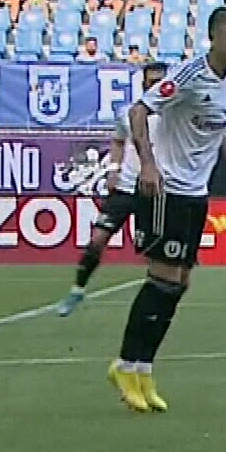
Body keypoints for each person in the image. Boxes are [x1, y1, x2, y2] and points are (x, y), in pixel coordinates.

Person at [108, 8, 226, 413]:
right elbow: (140, 110)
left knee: (181, 281)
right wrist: (148, 164)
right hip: (167, 188)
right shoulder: (189, 75)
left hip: (195, 192)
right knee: (163, 278)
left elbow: (215, 124)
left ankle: (144, 369)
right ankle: (125, 364)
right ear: (214, 39)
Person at [57, 60, 168, 316]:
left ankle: (152, 306)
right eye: (152, 82)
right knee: (97, 239)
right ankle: (77, 290)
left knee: (155, 254)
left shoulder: (173, 116)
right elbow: (118, 141)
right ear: (144, 85)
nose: (157, 86)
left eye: (161, 82)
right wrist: (113, 170)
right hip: (125, 187)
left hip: (154, 190)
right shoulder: (130, 113)